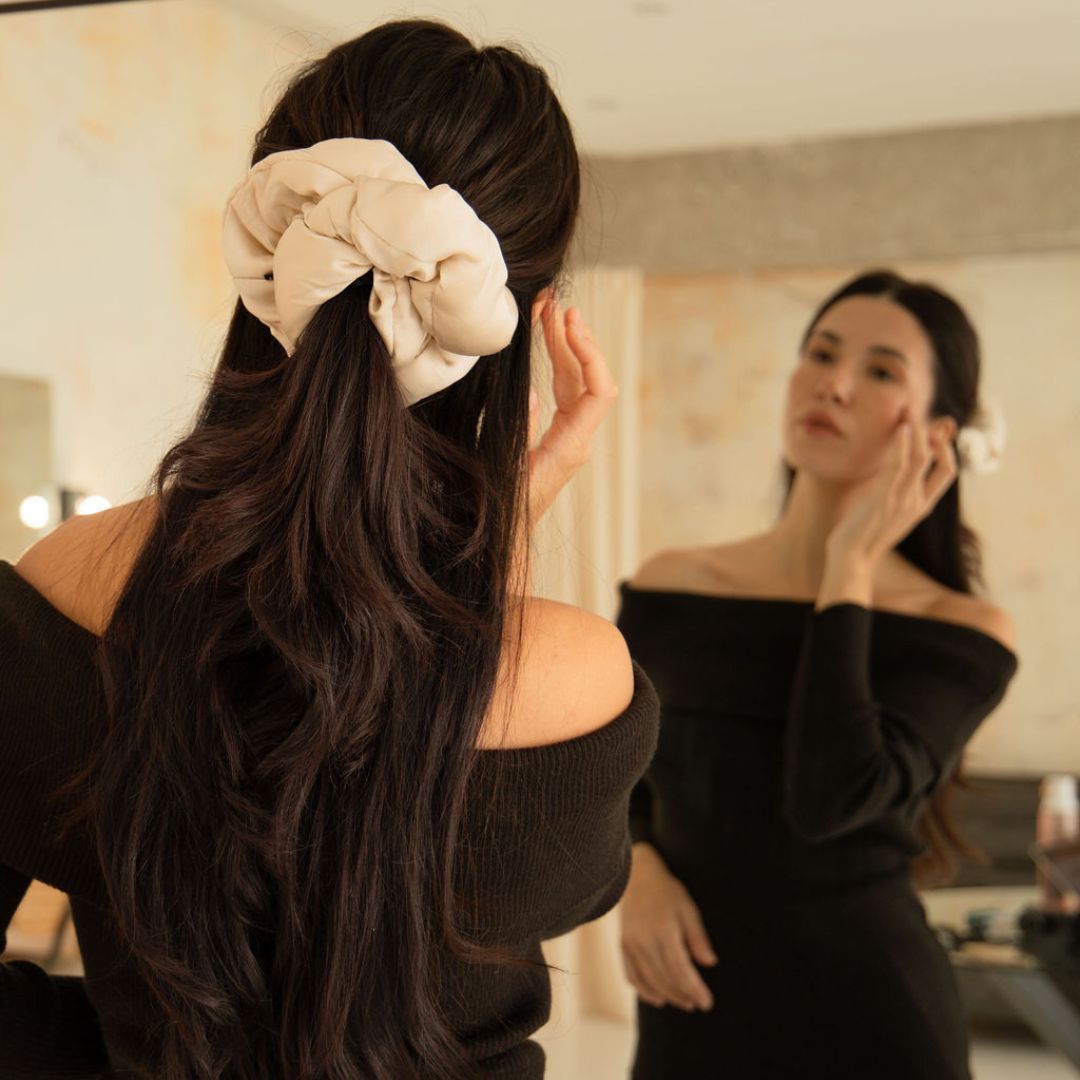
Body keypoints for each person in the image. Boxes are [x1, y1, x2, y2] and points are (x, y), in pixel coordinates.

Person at [0, 20, 659, 1079]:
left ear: (268, 250)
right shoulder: (577, 680)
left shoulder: (70, 587)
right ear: (529, 315)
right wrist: (499, 541)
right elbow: (538, 867)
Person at [617, 270, 1018, 1079]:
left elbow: (832, 799)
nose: (834, 384)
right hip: (692, 1006)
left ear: (939, 434)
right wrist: (636, 870)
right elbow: (609, 777)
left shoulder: (960, 634)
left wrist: (850, 572)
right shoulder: (671, 587)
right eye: (822, 353)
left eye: (880, 371)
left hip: (873, 1018)